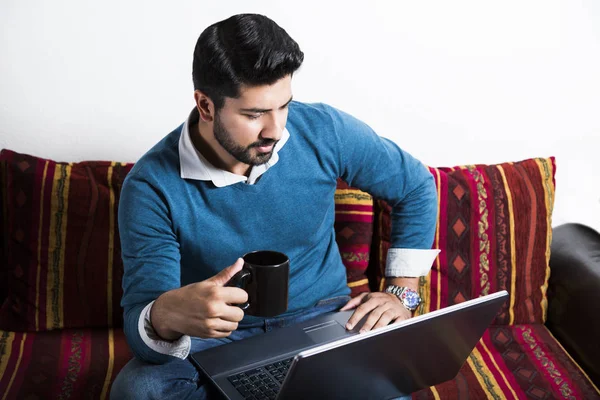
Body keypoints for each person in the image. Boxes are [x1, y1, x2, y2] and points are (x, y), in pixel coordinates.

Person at [110, 13, 439, 400]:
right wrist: (166, 314)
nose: (276, 129)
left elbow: (416, 186)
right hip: (213, 340)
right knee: (139, 388)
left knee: (389, 386)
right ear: (206, 105)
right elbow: (142, 329)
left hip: (325, 320)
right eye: (253, 115)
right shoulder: (151, 186)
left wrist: (402, 293)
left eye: (283, 106)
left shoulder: (323, 129)